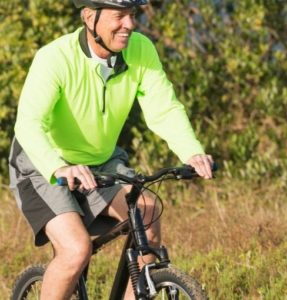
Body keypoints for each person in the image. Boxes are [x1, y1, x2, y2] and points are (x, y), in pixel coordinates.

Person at [9, 0, 214, 298]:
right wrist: (58, 167)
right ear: (89, 17)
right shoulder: (55, 57)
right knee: (76, 250)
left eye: (132, 15)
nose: (129, 25)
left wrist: (191, 152)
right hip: (43, 164)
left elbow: (164, 108)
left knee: (148, 214)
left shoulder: (141, 49)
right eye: (119, 16)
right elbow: (28, 124)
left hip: (102, 161)